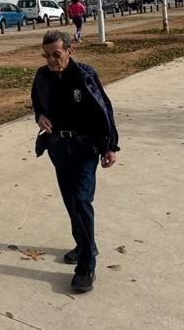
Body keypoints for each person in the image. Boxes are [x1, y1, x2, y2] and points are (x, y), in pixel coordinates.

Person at [31, 30, 120, 294]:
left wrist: (110, 146)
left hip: (84, 147)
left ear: (70, 50)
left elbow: (104, 108)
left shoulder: (85, 74)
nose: (51, 60)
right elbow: (37, 101)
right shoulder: (42, 76)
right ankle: (83, 244)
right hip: (58, 147)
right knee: (70, 200)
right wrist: (40, 117)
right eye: (46, 55)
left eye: (56, 54)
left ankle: (86, 266)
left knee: (81, 200)